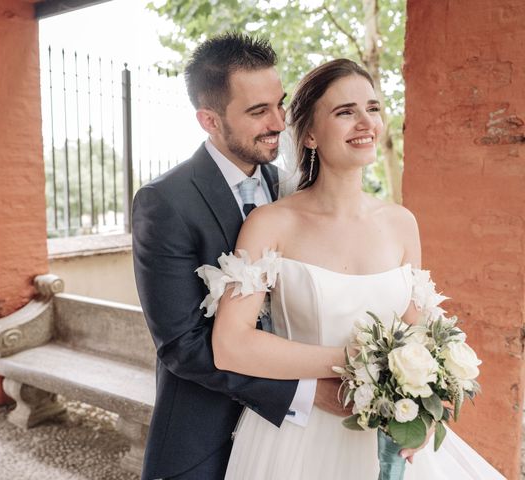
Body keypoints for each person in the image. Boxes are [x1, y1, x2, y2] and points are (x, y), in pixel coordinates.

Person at [204, 58, 505, 479]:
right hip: (297, 442)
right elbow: (231, 345)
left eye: (373, 108)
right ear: (308, 134)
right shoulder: (271, 224)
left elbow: (419, 334)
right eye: (345, 112)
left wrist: (427, 409)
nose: (365, 122)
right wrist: (351, 360)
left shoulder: (402, 223)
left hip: (391, 434)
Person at [132, 33, 346, 480]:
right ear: (209, 121)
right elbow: (182, 346)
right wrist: (304, 393)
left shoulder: (290, 188)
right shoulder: (164, 202)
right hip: (205, 439)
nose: (279, 122)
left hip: (294, 447)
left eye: (280, 103)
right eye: (257, 111)